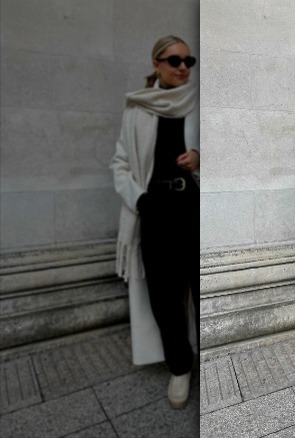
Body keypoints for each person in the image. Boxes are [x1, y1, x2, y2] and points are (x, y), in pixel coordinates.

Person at [110, 35, 199, 409]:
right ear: (156, 64)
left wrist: (201, 158)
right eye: (174, 60)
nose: (182, 67)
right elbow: (120, 165)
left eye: (188, 61)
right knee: (163, 294)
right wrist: (141, 200)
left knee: (200, 286)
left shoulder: (199, 104)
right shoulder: (137, 110)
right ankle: (180, 367)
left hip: (194, 206)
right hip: (155, 209)